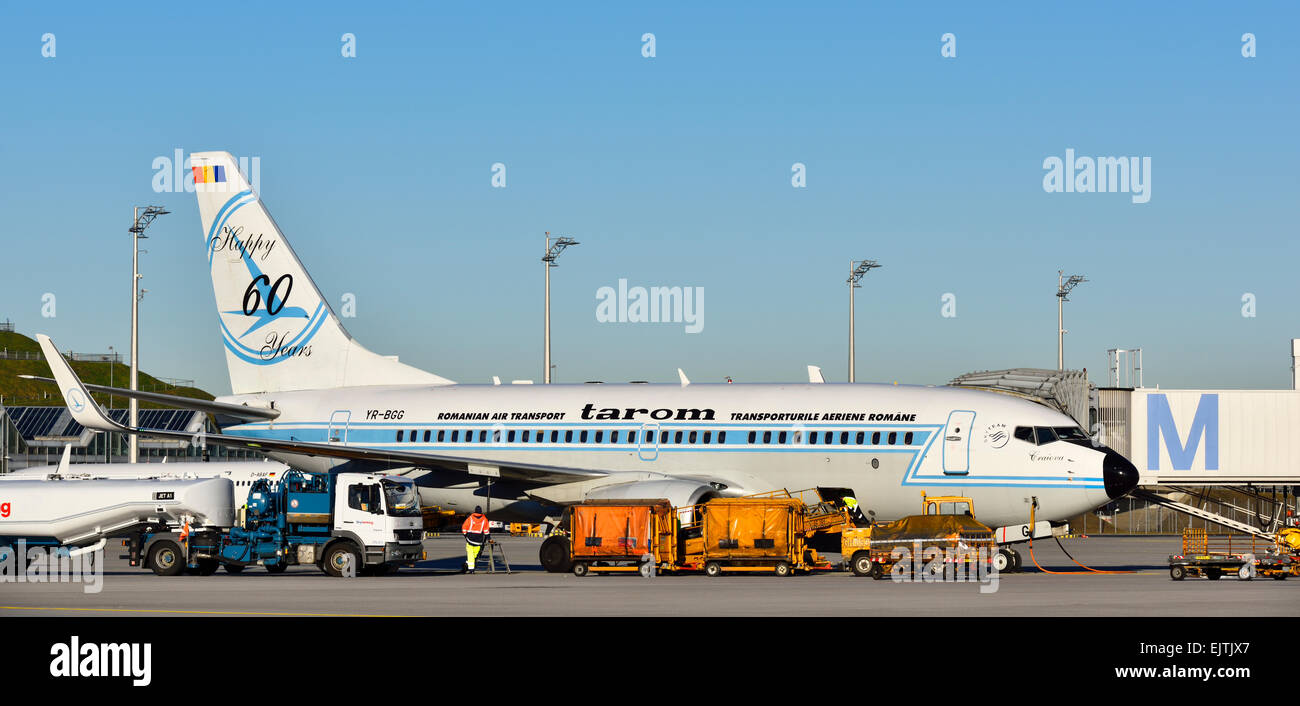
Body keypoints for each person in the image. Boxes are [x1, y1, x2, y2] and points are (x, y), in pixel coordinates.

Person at [461, 506, 490, 573]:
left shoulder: (470, 518)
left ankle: (471, 569)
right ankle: (468, 563)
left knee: (470, 553)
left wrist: (465, 535)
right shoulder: (484, 519)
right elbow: (486, 531)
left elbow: (464, 527)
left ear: (475, 511)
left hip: (470, 538)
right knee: (474, 554)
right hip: (479, 540)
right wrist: (489, 538)